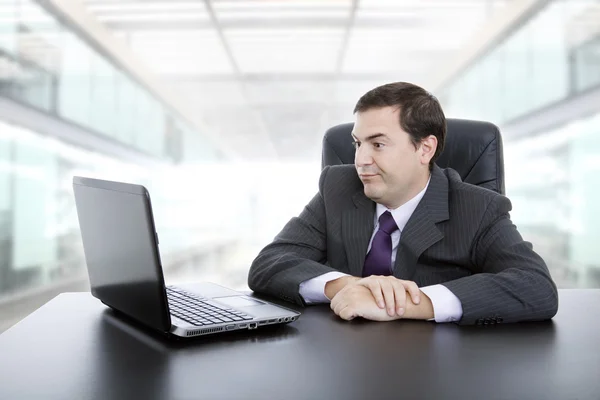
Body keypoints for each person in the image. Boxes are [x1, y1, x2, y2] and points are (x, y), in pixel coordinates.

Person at [247, 82, 558, 325]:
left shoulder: (478, 208)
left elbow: (535, 287)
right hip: (341, 361)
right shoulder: (338, 187)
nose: (361, 160)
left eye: (378, 144)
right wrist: (349, 286)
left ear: (424, 149)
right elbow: (270, 264)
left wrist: (406, 304)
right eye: (358, 143)